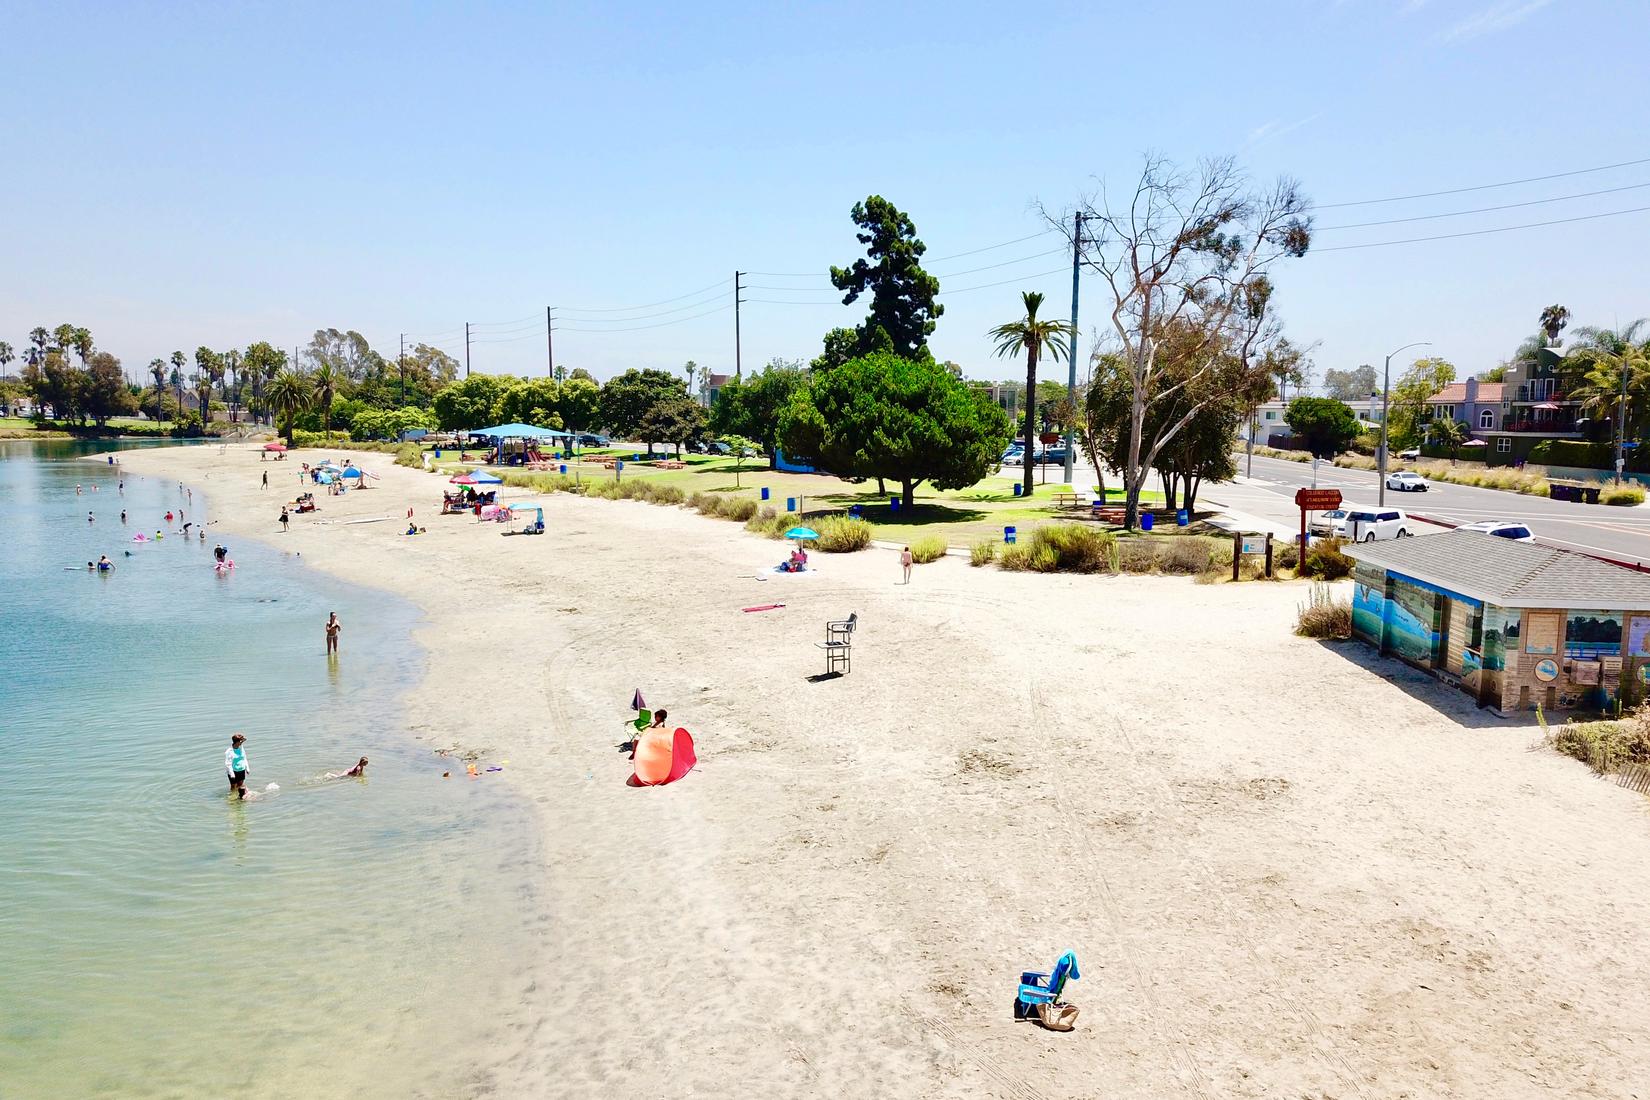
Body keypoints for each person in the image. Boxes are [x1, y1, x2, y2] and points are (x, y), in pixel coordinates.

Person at [225, 734, 249, 800]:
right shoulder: (229, 751)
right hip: (233, 771)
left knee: (240, 786)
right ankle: (232, 797)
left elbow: (244, 758)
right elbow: (228, 764)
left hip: (241, 769)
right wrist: (232, 774)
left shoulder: (241, 748)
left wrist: (247, 768)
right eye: (240, 742)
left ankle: (240, 797)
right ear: (237, 742)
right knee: (233, 786)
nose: (241, 743)